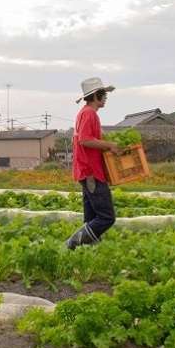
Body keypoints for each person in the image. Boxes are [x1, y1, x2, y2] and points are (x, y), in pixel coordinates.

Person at [65, 77, 122, 249]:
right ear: (96, 95)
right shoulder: (89, 114)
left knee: (92, 217)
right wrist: (110, 145)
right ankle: (72, 243)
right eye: (103, 94)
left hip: (86, 170)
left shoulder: (86, 113)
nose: (106, 97)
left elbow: (87, 140)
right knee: (106, 217)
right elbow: (85, 140)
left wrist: (105, 145)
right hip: (91, 172)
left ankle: (85, 251)